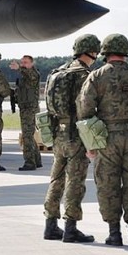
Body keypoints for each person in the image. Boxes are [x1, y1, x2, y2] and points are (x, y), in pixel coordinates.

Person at [77, 33, 128, 247]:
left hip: (106, 138)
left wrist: (91, 144)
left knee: (107, 184)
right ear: (126, 51)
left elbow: (85, 110)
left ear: (105, 52)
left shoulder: (96, 76)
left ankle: (114, 233)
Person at [42, 34, 100, 243]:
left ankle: (50, 225)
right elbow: (86, 108)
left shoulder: (59, 72)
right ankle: (70, 227)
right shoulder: (84, 75)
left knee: (56, 179)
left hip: (59, 132)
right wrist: (91, 140)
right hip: (77, 135)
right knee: (75, 181)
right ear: (92, 51)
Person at [9, 55, 42, 171]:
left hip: (30, 109)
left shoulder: (33, 74)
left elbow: (30, 75)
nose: (24, 64)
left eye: (26, 62)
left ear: (32, 64)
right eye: (22, 63)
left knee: (27, 136)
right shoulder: (24, 77)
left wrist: (19, 68)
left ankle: (29, 162)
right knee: (29, 134)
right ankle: (37, 160)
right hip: (25, 108)